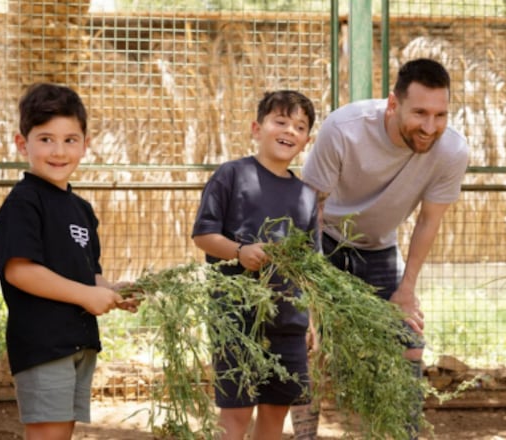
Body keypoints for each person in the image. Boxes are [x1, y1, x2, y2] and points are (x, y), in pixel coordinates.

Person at [293, 57, 470, 439]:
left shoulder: (452, 151)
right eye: (420, 113)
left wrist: (406, 290)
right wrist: (308, 291)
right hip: (324, 241)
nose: (430, 127)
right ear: (393, 104)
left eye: (440, 115)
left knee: (409, 340)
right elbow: (310, 210)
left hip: (379, 248)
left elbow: (428, 221)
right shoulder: (344, 129)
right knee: (305, 345)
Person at [0, 82, 139, 440]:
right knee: (47, 433)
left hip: (78, 341)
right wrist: (86, 296)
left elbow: (90, 275)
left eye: (70, 140)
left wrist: (114, 291)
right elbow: (19, 271)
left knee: (63, 432)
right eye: (45, 139)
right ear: (22, 143)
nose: (59, 151)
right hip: (43, 343)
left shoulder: (82, 210)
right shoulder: (24, 203)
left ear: (85, 145)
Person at [191, 90, 318, 440]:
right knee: (235, 414)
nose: (289, 130)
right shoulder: (231, 175)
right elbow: (203, 235)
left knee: (276, 413)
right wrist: (239, 252)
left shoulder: (306, 196)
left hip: (288, 322)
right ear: (256, 128)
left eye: (300, 126)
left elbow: (310, 267)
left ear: (307, 140)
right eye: (280, 121)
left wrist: (313, 323)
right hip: (235, 317)